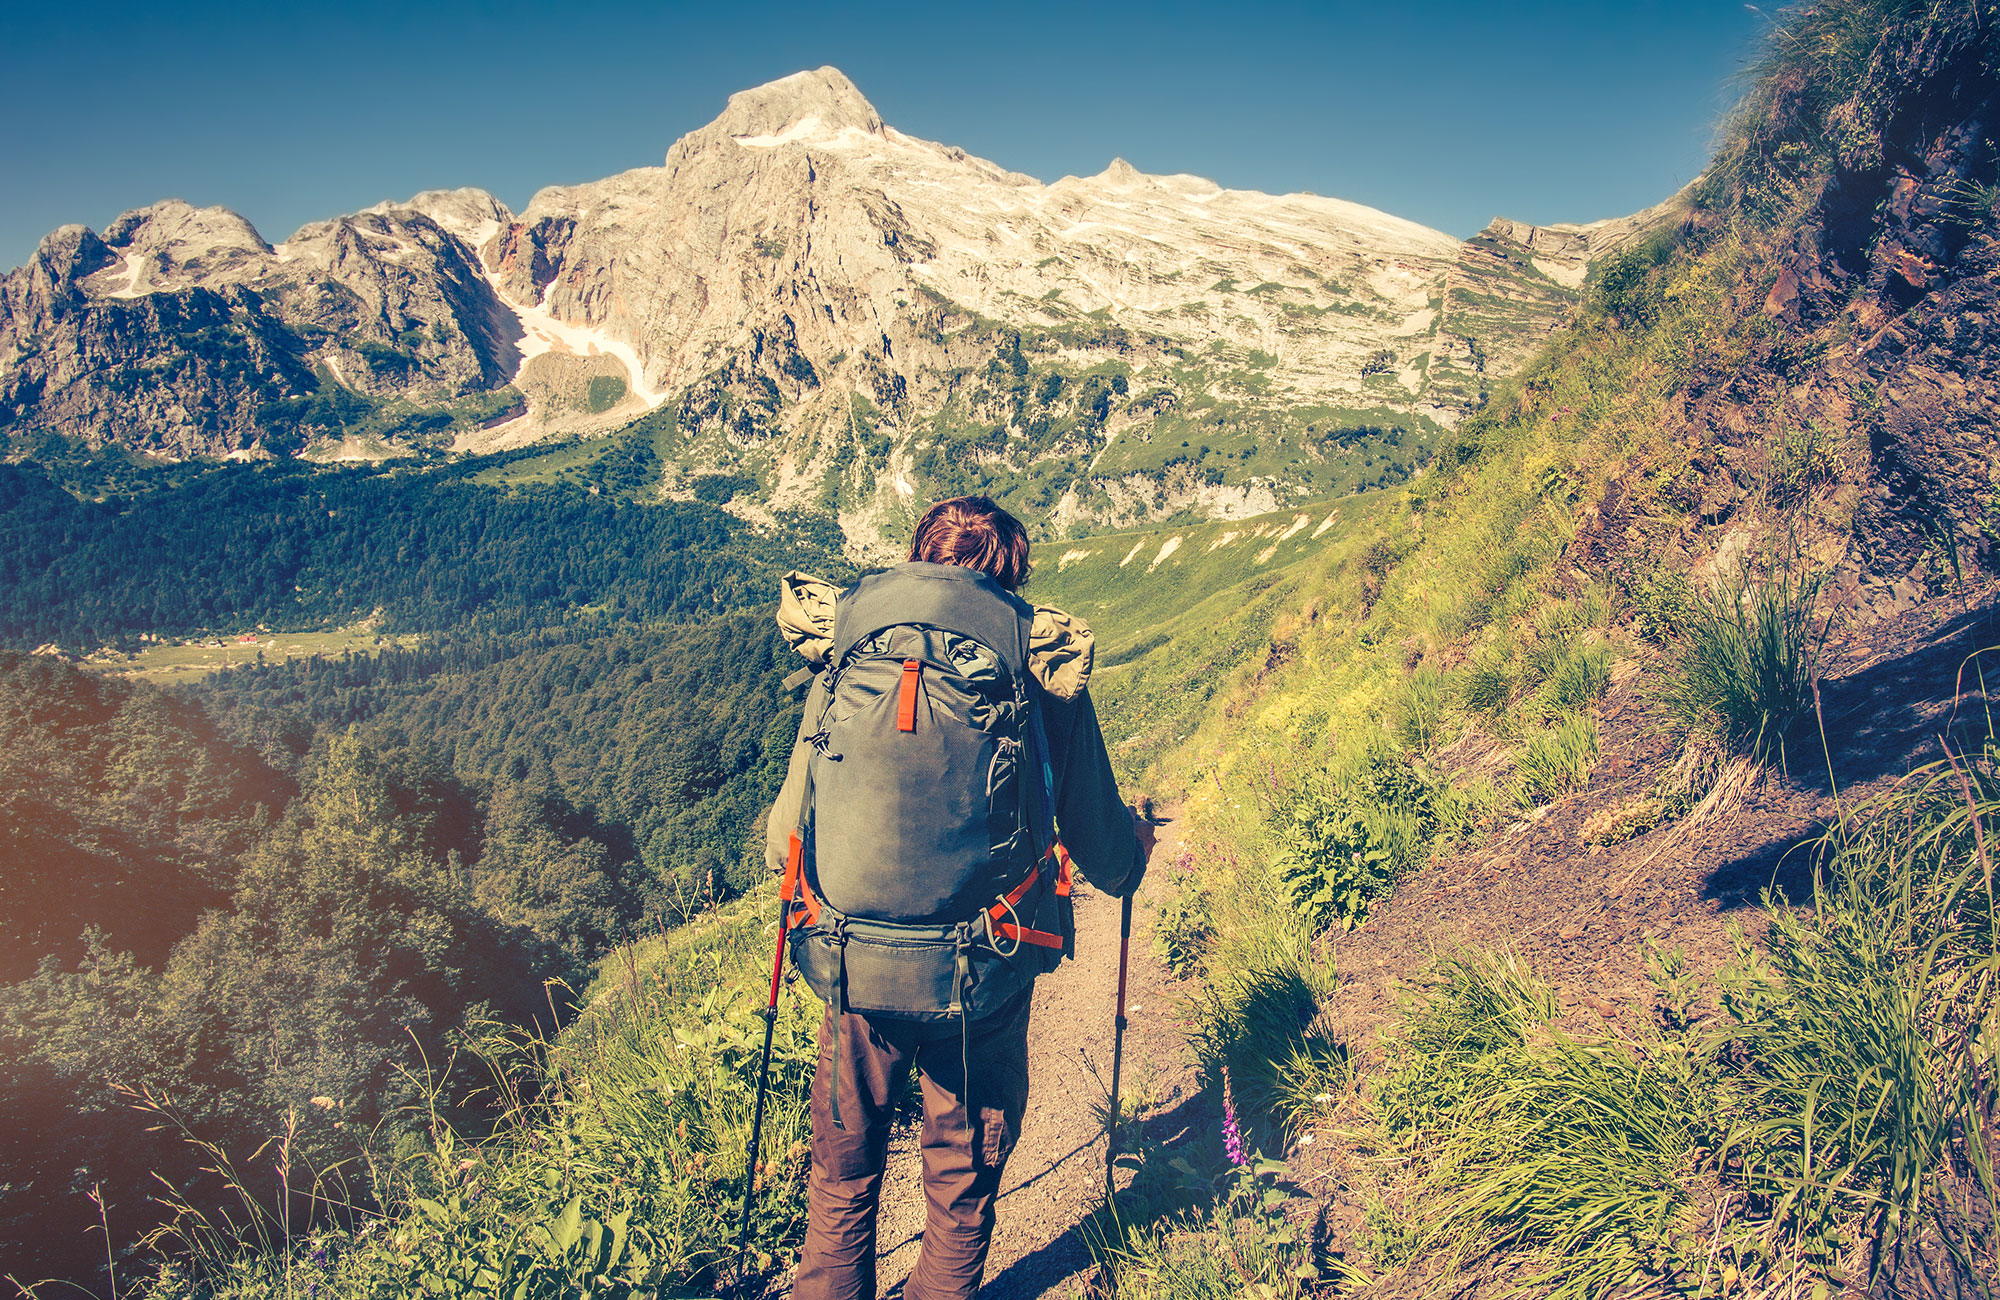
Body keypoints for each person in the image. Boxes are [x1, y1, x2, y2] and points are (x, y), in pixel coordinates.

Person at [763, 495, 1155, 1300]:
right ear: (1011, 574)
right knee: (959, 1183)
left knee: (842, 1175)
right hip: (983, 970)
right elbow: (1098, 839)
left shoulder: (849, 645)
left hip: (850, 965)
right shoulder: (1034, 657)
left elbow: (784, 837)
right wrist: (1133, 860)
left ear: (918, 555)